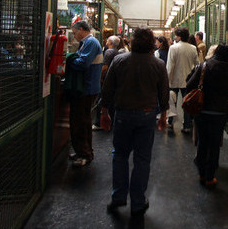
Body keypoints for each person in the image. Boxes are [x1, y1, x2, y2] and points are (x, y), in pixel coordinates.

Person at [102, 26, 169, 216]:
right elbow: (163, 92)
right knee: (142, 159)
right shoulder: (157, 64)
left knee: (120, 155)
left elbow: (108, 88)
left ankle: (118, 197)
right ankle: (138, 202)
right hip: (147, 116)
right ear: (151, 43)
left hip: (123, 114)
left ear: (132, 41)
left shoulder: (119, 60)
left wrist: (104, 111)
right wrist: (163, 115)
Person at [185, 43, 228, 187]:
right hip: (220, 112)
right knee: (214, 144)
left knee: (202, 141)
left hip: (202, 110)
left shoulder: (204, 66)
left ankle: (201, 173)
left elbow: (189, 84)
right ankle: (210, 177)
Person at [65, 20, 103, 167]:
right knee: (83, 121)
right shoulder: (89, 43)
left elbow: (82, 63)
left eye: (74, 33)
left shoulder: (91, 43)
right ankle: (83, 151)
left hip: (87, 88)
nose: (74, 36)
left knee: (80, 122)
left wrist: (68, 58)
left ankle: (84, 154)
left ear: (81, 29)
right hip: (88, 88)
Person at [166, 27, 199, 134]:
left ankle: (170, 122)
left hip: (174, 79)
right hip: (188, 80)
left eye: (175, 35)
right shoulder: (193, 48)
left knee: (172, 102)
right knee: (187, 103)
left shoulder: (173, 48)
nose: (174, 37)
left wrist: (167, 79)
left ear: (179, 37)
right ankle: (187, 125)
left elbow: (170, 66)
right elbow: (197, 64)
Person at [97, 35, 125, 130]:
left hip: (106, 80)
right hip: (115, 81)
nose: (106, 42)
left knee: (103, 100)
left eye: (108, 40)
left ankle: (100, 123)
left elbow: (105, 68)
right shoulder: (117, 52)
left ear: (110, 43)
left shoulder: (109, 52)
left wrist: (101, 78)